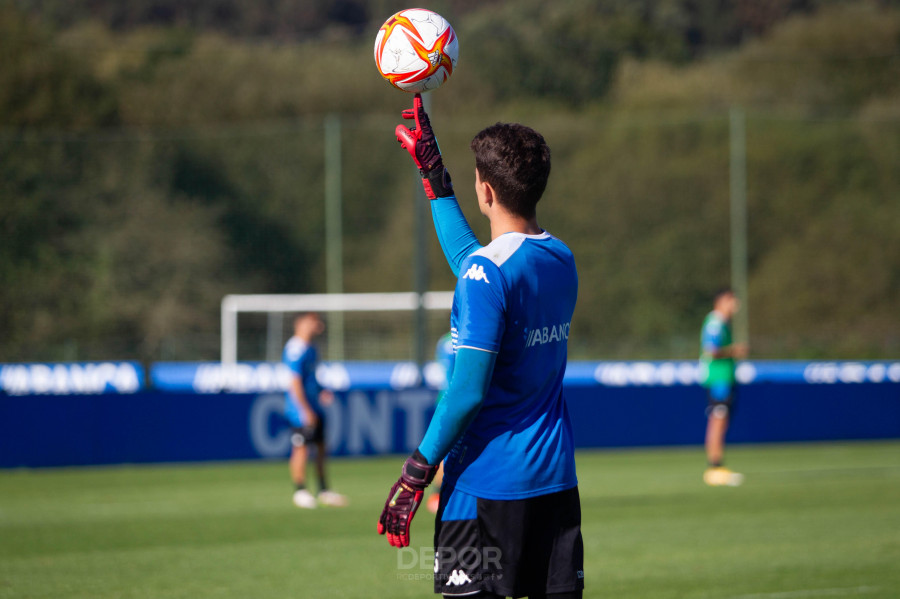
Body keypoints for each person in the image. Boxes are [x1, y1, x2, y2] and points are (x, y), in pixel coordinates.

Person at [377, 94, 584, 599]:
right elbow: (480, 261)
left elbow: (467, 392)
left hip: (486, 489)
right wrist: (436, 180)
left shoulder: (485, 275)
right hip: (554, 482)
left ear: (485, 190)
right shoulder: (560, 257)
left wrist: (415, 473)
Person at [283, 312, 347, 508]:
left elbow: (311, 378)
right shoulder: (295, 349)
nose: (318, 326)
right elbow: (294, 383)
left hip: (314, 406)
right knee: (301, 448)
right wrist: (304, 410)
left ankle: (323, 489)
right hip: (301, 410)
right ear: (301, 324)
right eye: (314, 322)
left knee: (320, 448)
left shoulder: (311, 348)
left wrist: (321, 391)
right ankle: (300, 490)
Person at [699, 288, 748, 487]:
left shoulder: (722, 323)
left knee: (721, 420)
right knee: (717, 420)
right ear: (721, 301)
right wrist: (734, 350)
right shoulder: (715, 323)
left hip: (724, 378)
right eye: (731, 300)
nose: (735, 305)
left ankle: (717, 467)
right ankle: (715, 467)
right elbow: (711, 350)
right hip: (718, 379)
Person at [425, 331, 455, 514]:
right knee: (449, 450)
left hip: (445, 398)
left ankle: (438, 495)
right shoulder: (467, 338)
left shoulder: (443, 340)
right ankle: (436, 495)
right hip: (457, 400)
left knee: (448, 448)